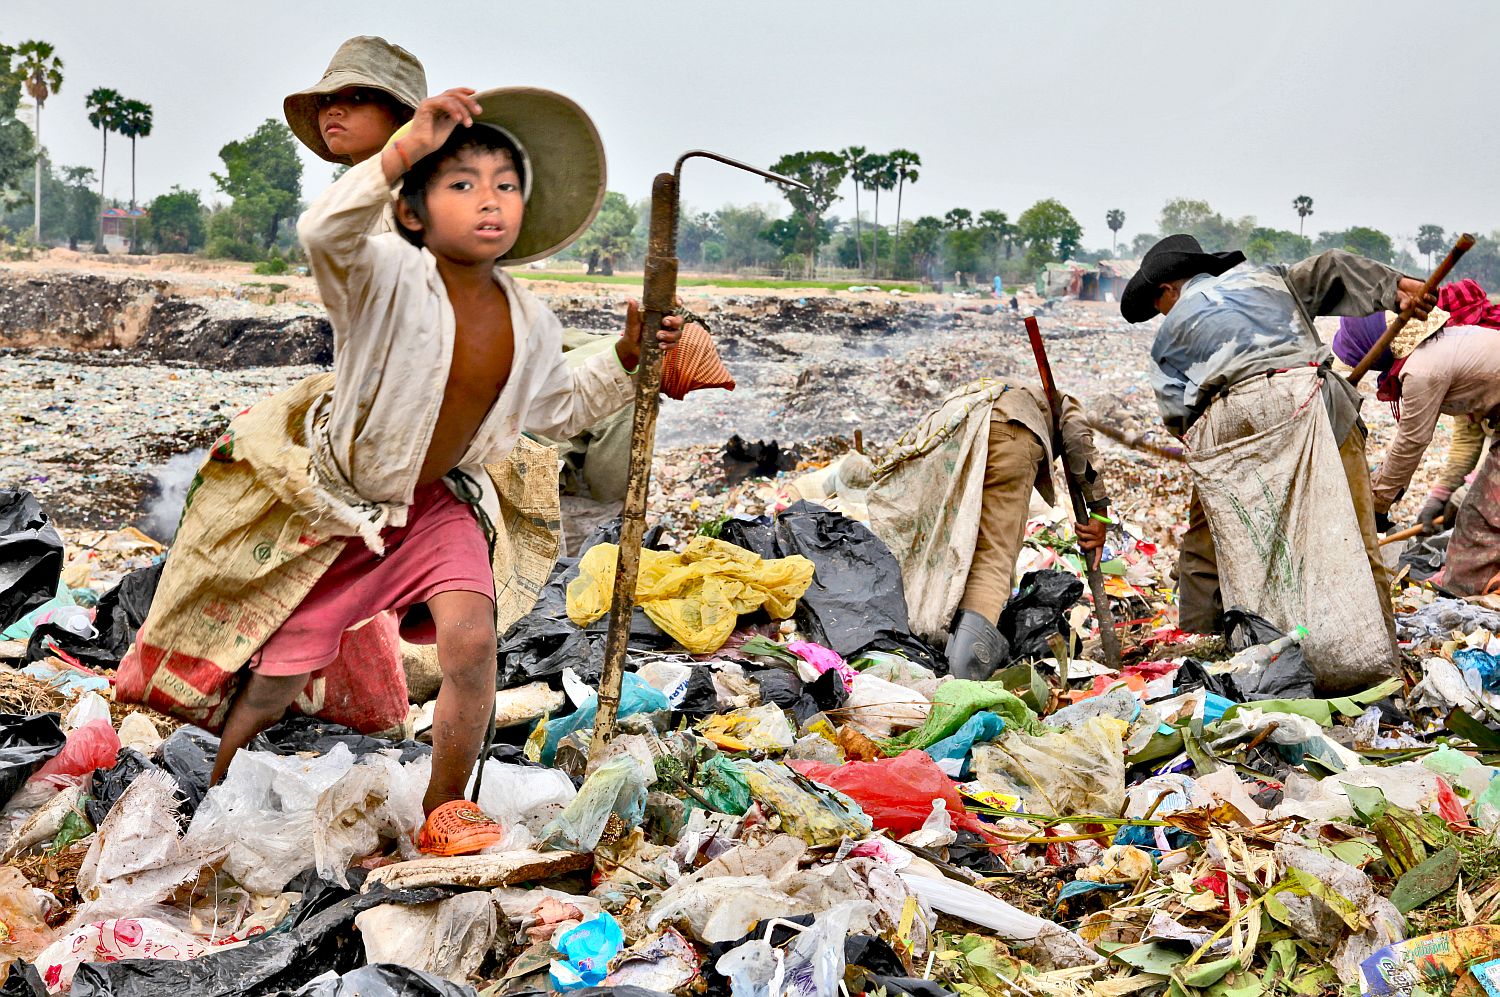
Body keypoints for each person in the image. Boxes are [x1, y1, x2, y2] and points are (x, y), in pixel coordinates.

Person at [119, 86, 681, 855]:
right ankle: (216, 792)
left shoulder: (527, 318)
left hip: (440, 505)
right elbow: (324, 229)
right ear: (415, 211)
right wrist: (405, 147)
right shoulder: (382, 282)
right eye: (463, 185)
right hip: (339, 508)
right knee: (279, 678)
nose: (490, 201)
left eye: (505, 186)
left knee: (472, 646)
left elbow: (555, 407)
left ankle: (445, 808)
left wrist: (627, 355)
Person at [1120, 234, 1434, 664]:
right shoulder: (1267, 280)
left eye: (1160, 306)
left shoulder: (1167, 340)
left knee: (1236, 543)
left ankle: (1228, 647)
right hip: (1312, 399)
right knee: (1358, 538)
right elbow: (1331, 266)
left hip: (1232, 424)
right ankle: (1379, 659)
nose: (1163, 315)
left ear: (1167, 290)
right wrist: (1396, 288)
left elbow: (1181, 422)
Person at [869, 379, 1109, 680]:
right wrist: (1100, 513)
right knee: (992, 557)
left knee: (954, 547)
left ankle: (937, 647)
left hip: (956, 434)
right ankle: (960, 679)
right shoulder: (1062, 402)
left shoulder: (1008, 390)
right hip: (1008, 434)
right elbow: (1078, 442)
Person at [1331, 279, 1500, 594]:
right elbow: (1465, 439)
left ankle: (1460, 594)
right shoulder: (1444, 346)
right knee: (1480, 514)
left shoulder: (1422, 369)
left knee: (1478, 520)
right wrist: (1438, 497)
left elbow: (1411, 442)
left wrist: (1377, 503)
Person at [283, 35, 427, 167]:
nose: (333, 110)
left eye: (358, 98)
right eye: (326, 98)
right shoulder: (349, 192)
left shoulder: (427, 191)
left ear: (402, 116)